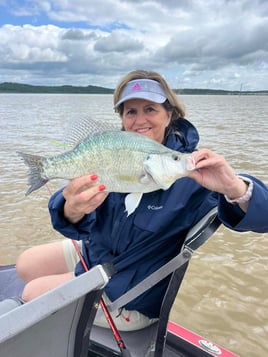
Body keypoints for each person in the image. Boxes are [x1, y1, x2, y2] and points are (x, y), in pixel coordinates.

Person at [16, 69, 268, 331]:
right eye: (130, 111)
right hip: (97, 254)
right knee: (26, 262)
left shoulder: (192, 175)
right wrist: (72, 210)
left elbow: (264, 216)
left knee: (32, 292)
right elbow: (75, 225)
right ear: (122, 118)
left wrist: (235, 187)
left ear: (169, 114)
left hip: (125, 292)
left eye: (150, 109)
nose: (139, 120)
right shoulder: (113, 151)